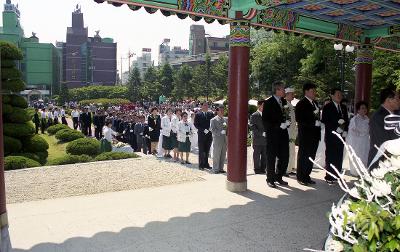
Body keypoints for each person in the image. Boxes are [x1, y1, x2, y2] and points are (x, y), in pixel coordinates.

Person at [262, 81, 289, 188]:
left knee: (284, 156)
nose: (284, 91)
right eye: (283, 89)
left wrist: (287, 122)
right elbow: (266, 120)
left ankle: (279, 176)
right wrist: (278, 125)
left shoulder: (284, 101)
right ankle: (270, 179)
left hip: (283, 134)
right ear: (277, 89)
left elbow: (285, 115)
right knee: (271, 157)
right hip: (273, 134)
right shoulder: (268, 102)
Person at [295, 83, 321, 186]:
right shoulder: (301, 103)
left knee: (311, 156)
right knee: (303, 156)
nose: (315, 93)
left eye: (315, 91)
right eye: (313, 91)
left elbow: (316, 116)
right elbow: (300, 119)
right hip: (306, 135)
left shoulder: (315, 103)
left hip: (314, 135)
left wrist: (319, 123)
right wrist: (313, 123)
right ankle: (301, 177)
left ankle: (307, 175)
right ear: (306, 91)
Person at [321, 88, 349, 184]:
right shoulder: (327, 106)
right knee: (331, 156)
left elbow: (346, 120)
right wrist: (335, 128)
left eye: (341, 94)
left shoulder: (343, 107)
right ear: (332, 96)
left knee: (339, 155)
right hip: (331, 136)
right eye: (337, 94)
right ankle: (329, 176)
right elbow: (325, 120)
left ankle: (337, 175)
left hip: (341, 136)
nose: (340, 96)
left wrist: (345, 130)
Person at [368, 88, 400, 168]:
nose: (399, 100)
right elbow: (383, 141)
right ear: (389, 100)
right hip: (381, 161)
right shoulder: (378, 117)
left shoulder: (397, 113)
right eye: (397, 98)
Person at [346, 101, 370, 176]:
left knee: (365, 156)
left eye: (365, 108)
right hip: (356, 142)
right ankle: (356, 172)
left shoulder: (367, 119)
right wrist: (363, 133)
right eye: (362, 108)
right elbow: (352, 131)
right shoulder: (354, 119)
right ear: (358, 110)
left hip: (365, 141)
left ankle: (363, 171)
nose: (364, 110)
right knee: (357, 156)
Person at [194, 102, 213, 170]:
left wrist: (210, 129)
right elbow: (196, 124)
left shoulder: (210, 114)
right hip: (201, 135)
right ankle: (201, 165)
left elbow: (212, 123)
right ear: (201, 106)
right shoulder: (198, 114)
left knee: (207, 150)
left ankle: (206, 164)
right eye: (204, 105)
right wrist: (203, 130)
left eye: (207, 105)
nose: (206, 106)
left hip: (209, 135)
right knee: (201, 150)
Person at [249, 100, 266, 174]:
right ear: (258, 105)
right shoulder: (254, 115)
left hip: (266, 139)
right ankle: (257, 169)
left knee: (265, 155)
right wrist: (261, 133)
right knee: (256, 155)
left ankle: (263, 168)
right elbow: (252, 127)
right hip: (258, 139)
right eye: (263, 105)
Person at [210, 106, 228, 174]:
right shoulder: (213, 120)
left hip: (224, 139)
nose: (222, 112)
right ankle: (215, 169)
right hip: (217, 139)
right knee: (216, 154)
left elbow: (227, 127)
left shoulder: (225, 119)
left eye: (223, 110)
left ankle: (221, 168)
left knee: (223, 154)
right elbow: (212, 129)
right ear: (217, 111)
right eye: (221, 110)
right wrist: (219, 132)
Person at [285, 87, 297, 176]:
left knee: (292, 150)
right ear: (287, 94)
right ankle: (285, 169)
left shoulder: (290, 105)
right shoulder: (285, 105)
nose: (293, 96)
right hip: (287, 132)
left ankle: (290, 168)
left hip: (292, 132)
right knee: (287, 151)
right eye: (292, 94)